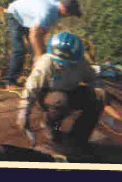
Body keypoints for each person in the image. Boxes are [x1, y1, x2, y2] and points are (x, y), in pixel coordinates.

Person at [18, 30, 104, 160]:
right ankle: (50, 125)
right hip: (50, 95)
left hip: (71, 90)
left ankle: (77, 139)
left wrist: (99, 89)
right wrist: (24, 113)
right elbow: (31, 88)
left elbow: (92, 77)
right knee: (60, 100)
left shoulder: (80, 61)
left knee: (96, 99)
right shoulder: (46, 63)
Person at [1, 0, 82, 85]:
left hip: (28, 18)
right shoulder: (47, 11)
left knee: (36, 49)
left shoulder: (57, 12)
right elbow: (34, 34)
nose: (69, 16)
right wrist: (39, 56)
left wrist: (41, 51)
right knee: (19, 50)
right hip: (14, 14)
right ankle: (10, 81)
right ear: (65, 11)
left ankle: (36, 79)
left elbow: (42, 32)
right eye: (70, 14)